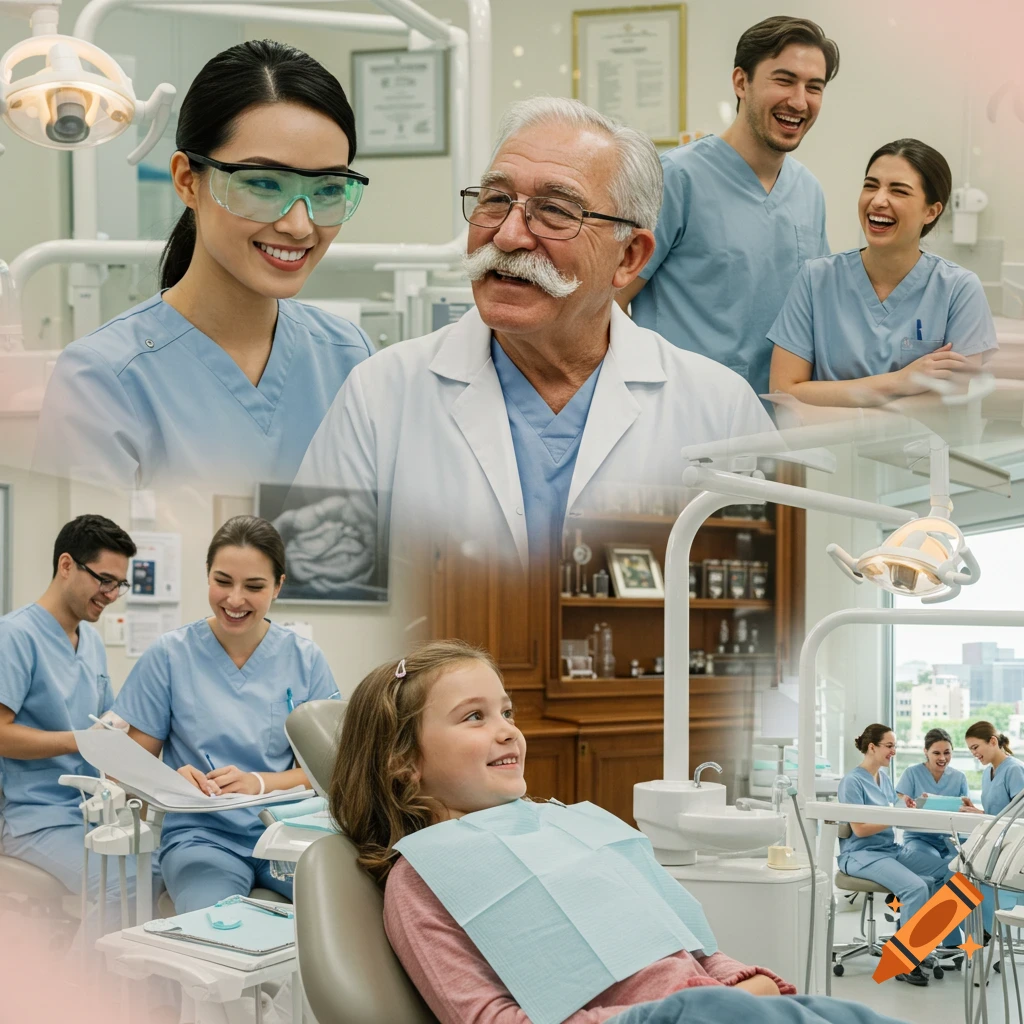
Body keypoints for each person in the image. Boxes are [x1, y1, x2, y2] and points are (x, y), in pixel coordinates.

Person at [296, 97, 774, 571]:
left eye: (555, 212)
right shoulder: (379, 394)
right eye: (495, 200)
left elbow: (783, 591)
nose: (507, 236)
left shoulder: (720, 411)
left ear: (628, 257)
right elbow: (316, 595)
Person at [330, 641, 910, 1024]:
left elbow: (687, 943)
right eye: (475, 717)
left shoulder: (562, 825)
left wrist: (740, 981)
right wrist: (693, 1008)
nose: (508, 731)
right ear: (403, 761)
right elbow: (489, 1020)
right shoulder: (424, 878)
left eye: (507, 712)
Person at [34, 40, 373, 491]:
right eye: (264, 183)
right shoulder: (103, 379)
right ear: (187, 181)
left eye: (329, 189)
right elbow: (85, 557)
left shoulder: (350, 355)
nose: (298, 224)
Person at [113, 516, 337, 912]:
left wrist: (260, 783)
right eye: (222, 581)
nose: (235, 600)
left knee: (345, 914)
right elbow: (127, 769)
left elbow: (333, 769)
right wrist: (171, 780)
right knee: (214, 929)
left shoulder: (305, 661)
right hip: (202, 839)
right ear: (207, 576)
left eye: (254, 586)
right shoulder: (169, 657)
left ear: (278, 586)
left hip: (284, 834)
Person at [620, 16, 838, 399]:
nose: (799, 101)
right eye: (784, 80)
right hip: (684, 413)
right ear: (741, 82)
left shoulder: (809, 192)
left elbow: (814, 314)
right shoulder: (676, 178)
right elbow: (612, 299)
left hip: (779, 418)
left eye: (814, 87)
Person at [769, 139, 997, 405]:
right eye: (870, 186)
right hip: (824, 446)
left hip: (919, 447)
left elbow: (949, 401)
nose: (878, 200)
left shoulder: (958, 289)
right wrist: (900, 381)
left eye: (898, 191)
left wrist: (830, 397)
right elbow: (783, 391)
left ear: (931, 212)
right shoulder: (815, 279)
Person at [0, 516, 138, 898]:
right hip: (34, 818)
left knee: (158, 866)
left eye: (119, 585)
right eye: (104, 580)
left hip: (91, 813)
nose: (111, 594)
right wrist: (78, 741)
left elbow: (106, 728)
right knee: (122, 884)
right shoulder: (14, 636)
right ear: (66, 565)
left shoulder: (90, 643)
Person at [837, 724, 952, 987]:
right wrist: (897, 813)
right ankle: (904, 961)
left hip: (889, 850)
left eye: (895, 746)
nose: (894, 751)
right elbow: (860, 828)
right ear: (872, 747)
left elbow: (892, 815)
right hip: (861, 854)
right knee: (915, 887)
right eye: (889, 746)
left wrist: (906, 807)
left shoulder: (884, 779)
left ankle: (915, 945)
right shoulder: (852, 781)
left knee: (949, 871)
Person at [959, 720, 1024, 934]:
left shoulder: (1014, 769)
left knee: (959, 874)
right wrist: (978, 812)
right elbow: (998, 812)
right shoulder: (989, 773)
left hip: (1010, 850)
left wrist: (984, 816)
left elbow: (1019, 817)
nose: (974, 754)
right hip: (995, 843)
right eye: (970, 750)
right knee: (956, 870)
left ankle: (982, 931)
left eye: (976, 747)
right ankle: (980, 931)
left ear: (993, 741)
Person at [895, 727, 969, 865]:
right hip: (920, 839)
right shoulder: (912, 773)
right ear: (926, 752)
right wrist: (911, 804)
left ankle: (945, 886)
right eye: (936, 753)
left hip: (950, 840)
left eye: (947, 753)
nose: (942, 758)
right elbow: (898, 808)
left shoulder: (959, 778)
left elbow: (965, 812)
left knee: (963, 866)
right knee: (937, 864)